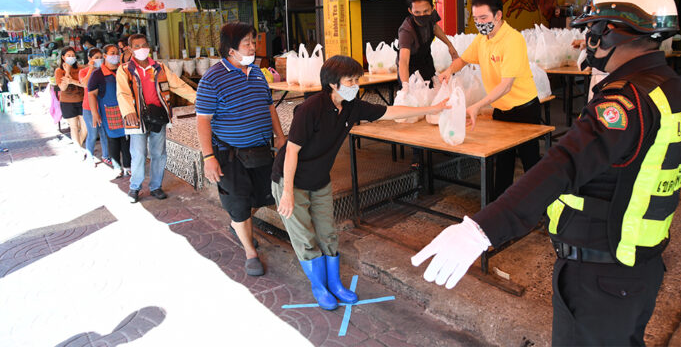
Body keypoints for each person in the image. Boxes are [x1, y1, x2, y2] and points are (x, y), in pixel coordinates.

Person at [412, 0, 681, 346]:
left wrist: (480, 230)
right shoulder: (668, 85)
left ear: (614, 32)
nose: (588, 40)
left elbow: (562, 164)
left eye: (593, 29)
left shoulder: (625, 102)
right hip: (635, 264)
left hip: (601, 273)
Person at [273, 55, 449, 310]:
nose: (356, 84)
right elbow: (291, 152)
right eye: (350, 80)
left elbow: (391, 112)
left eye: (357, 79)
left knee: (327, 233)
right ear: (333, 84)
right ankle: (320, 287)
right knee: (305, 237)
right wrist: (287, 192)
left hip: (320, 180)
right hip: (290, 181)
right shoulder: (310, 109)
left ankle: (334, 284)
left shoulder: (353, 105)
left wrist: (433, 109)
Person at [196, 22, 286, 277]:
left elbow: (269, 108)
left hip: (259, 150)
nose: (252, 47)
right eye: (246, 43)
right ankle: (250, 252)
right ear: (230, 49)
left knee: (263, 197)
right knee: (239, 201)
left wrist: (280, 137)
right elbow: (202, 120)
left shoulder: (257, 73)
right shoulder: (212, 79)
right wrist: (208, 157)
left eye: (253, 42)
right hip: (229, 154)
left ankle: (237, 223)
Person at [440, 0, 540, 198]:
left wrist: (478, 106)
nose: (479, 23)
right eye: (475, 19)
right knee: (502, 161)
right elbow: (463, 60)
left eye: (484, 18)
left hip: (524, 110)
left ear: (498, 15)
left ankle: (542, 207)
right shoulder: (482, 39)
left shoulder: (513, 40)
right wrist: (449, 71)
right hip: (501, 110)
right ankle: (499, 205)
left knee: (531, 164)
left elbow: (506, 85)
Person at [116, 34, 196, 203]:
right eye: (137, 46)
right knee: (138, 153)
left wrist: (197, 98)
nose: (141, 49)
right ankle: (135, 187)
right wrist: (128, 111)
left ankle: (156, 186)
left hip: (158, 115)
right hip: (137, 117)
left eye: (144, 45)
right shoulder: (124, 70)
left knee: (158, 153)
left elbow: (177, 84)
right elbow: (122, 92)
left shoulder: (159, 67)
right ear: (130, 49)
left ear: (149, 47)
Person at [573, 0, 622, 100]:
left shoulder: (604, 13)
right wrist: (586, 43)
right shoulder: (624, 12)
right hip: (616, 74)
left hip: (606, 74)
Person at [397, 0, 458, 89]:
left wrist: (449, 45)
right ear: (410, 11)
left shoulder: (431, 15)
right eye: (417, 12)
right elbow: (403, 61)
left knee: (432, 90)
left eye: (425, 11)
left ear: (432, 8)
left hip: (426, 61)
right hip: (410, 67)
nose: (422, 15)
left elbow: (434, 27)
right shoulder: (406, 31)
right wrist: (405, 86)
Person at [88, 44, 131, 177]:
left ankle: (128, 166)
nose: (116, 55)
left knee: (126, 139)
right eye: (112, 53)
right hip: (109, 111)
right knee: (113, 140)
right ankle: (117, 166)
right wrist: (95, 113)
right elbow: (91, 94)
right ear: (105, 56)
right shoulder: (98, 74)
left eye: (117, 53)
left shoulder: (122, 70)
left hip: (125, 109)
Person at [80, 47, 110, 166]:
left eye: (100, 58)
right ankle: (90, 155)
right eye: (96, 58)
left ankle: (106, 156)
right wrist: (91, 69)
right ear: (89, 59)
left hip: (103, 106)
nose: (99, 60)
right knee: (92, 134)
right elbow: (85, 83)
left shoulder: (104, 70)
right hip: (89, 107)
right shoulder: (83, 71)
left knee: (104, 133)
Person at [55, 46, 87, 154]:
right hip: (67, 102)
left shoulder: (80, 68)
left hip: (82, 101)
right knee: (74, 127)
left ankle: (79, 146)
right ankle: (79, 149)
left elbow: (84, 84)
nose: (71, 57)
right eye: (68, 55)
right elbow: (63, 88)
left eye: (73, 55)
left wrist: (71, 79)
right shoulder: (59, 71)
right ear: (63, 57)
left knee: (85, 128)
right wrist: (67, 71)